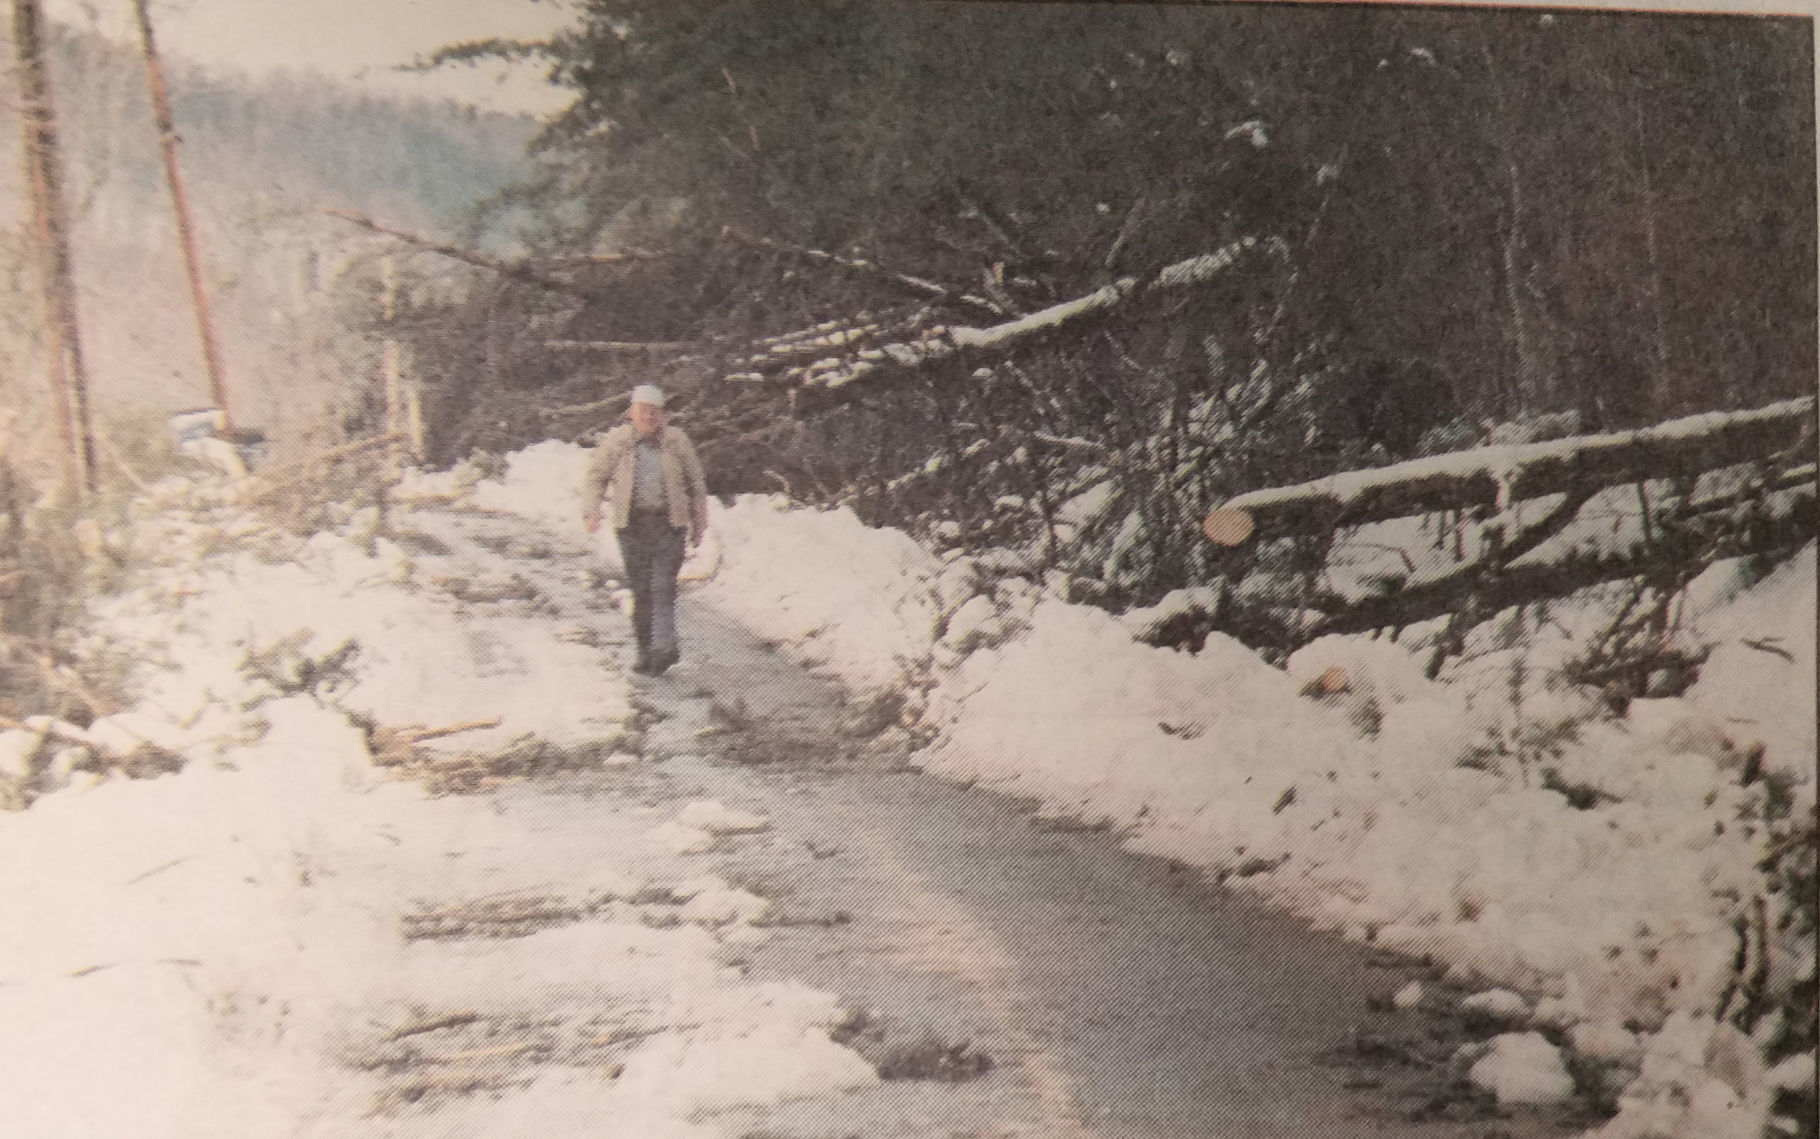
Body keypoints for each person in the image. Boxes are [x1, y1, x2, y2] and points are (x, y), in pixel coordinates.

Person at [582, 385, 709, 675]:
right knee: (641, 591)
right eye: (643, 410)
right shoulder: (617, 442)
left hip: (669, 525)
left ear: (663, 415)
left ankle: (665, 647)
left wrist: (699, 523)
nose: (649, 416)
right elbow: (596, 478)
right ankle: (645, 650)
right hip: (632, 526)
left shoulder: (677, 442)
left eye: (655, 411)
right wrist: (592, 511)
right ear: (631, 413)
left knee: (663, 587)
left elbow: (696, 484)